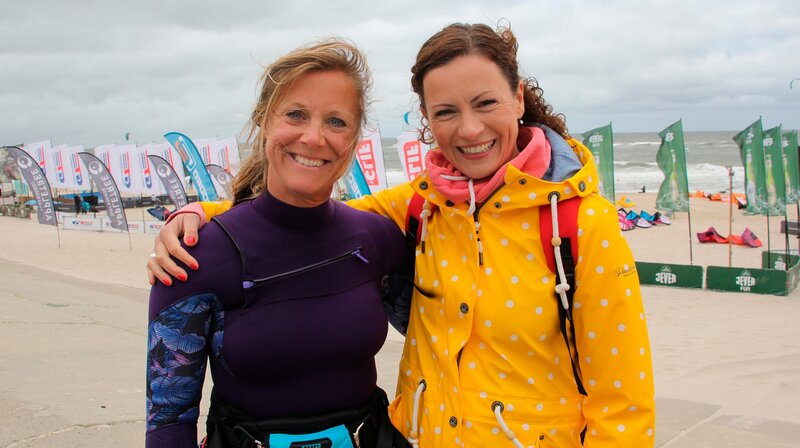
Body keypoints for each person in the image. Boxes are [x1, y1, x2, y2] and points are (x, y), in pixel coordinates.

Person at [148, 23, 655, 447]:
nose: (471, 130)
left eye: (486, 103)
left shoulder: (579, 224)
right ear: (428, 123)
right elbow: (303, 213)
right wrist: (196, 215)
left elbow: (623, 403)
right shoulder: (420, 206)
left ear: (519, 98)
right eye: (446, 112)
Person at [145, 38, 409, 448]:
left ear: (355, 139)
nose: (314, 137)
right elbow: (168, 420)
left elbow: (449, 338)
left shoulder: (378, 240)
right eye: (296, 114)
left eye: (336, 122)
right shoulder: (195, 256)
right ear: (264, 122)